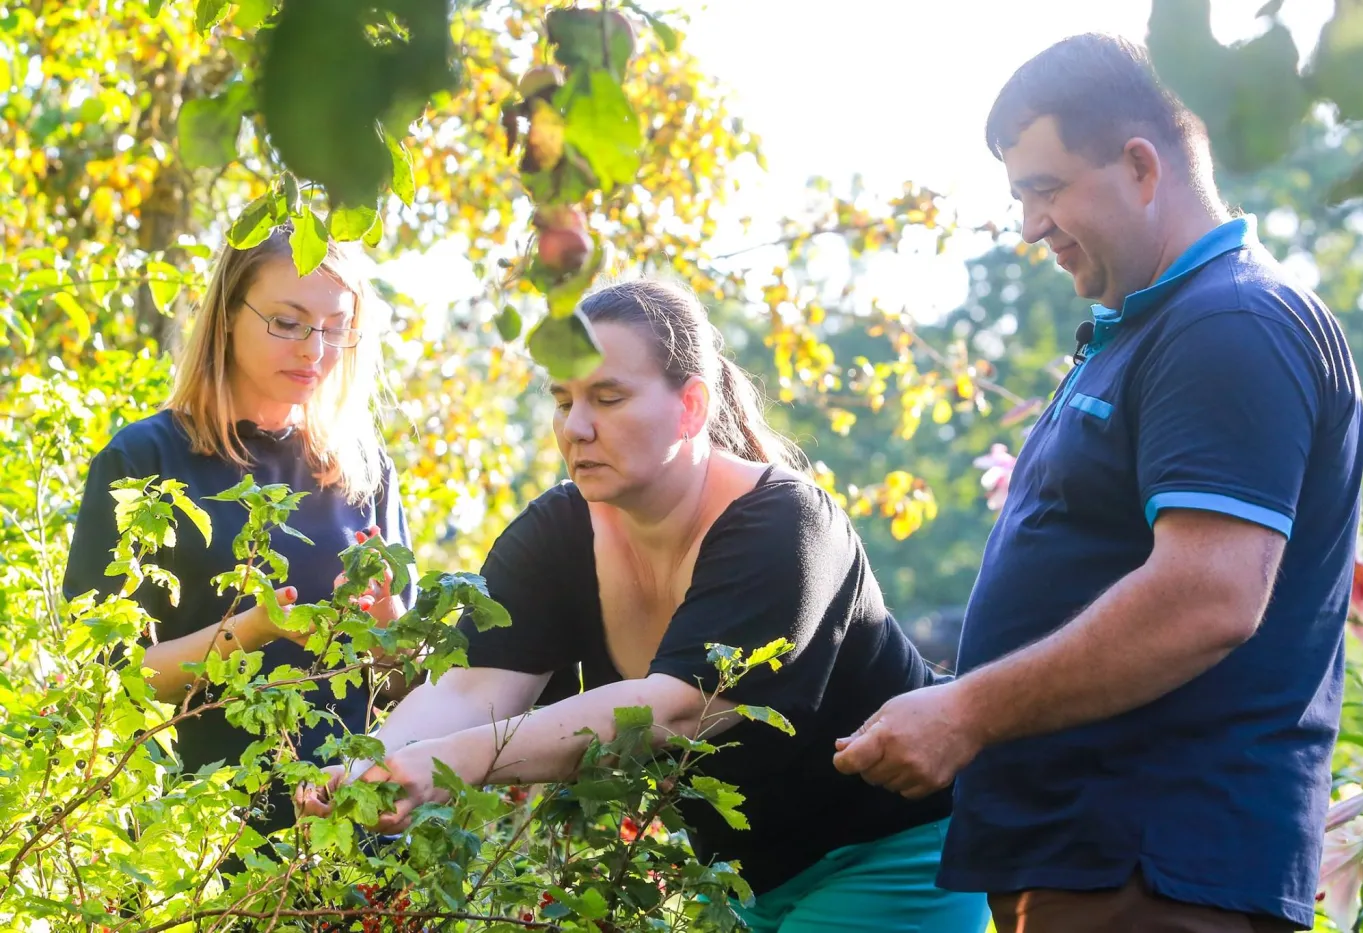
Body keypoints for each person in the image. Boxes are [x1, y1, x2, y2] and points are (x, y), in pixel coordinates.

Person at [833, 33, 1363, 932]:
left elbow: (1209, 594)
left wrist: (966, 709)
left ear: (1142, 166)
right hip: (1097, 868)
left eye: (1046, 189)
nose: (1030, 226)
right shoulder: (1153, 327)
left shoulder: (1230, 322)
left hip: (1156, 871)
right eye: (1020, 197)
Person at [297, 279, 991, 932]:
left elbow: (678, 710)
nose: (576, 427)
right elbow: (472, 688)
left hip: (891, 853)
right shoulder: (556, 533)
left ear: (691, 407)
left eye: (607, 397)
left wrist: (447, 763)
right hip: (740, 883)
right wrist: (370, 765)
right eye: (562, 400)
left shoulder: (786, 523)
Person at [64, 225, 415, 835]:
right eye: (288, 322)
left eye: (336, 328)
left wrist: (387, 627)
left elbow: (406, 687)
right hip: (193, 838)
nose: (314, 351)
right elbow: (105, 682)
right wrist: (250, 631)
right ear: (227, 314)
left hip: (349, 835)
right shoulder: (143, 461)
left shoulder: (362, 469)